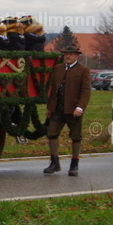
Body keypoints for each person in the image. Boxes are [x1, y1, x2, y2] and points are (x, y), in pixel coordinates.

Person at [44, 44, 91, 176]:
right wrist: (49, 108)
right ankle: (54, 163)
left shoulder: (83, 70)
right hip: (57, 109)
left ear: (77, 56)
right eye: (66, 54)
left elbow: (86, 91)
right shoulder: (58, 69)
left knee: (76, 137)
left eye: (70, 54)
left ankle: (74, 164)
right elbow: (53, 90)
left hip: (74, 109)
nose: (68, 56)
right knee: (51, 133)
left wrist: (80, 107)